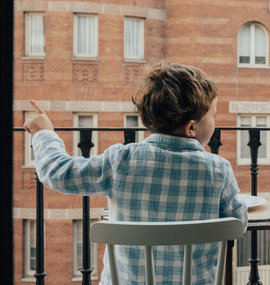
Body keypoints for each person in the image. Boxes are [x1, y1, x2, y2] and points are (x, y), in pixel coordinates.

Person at [23, 61, 247, 285]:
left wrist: (44, 133)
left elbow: (58, 172)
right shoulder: (219, 171)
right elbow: (238, 224)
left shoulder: (120, 161)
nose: (215, 123)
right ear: (191, 128)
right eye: (213, 116)